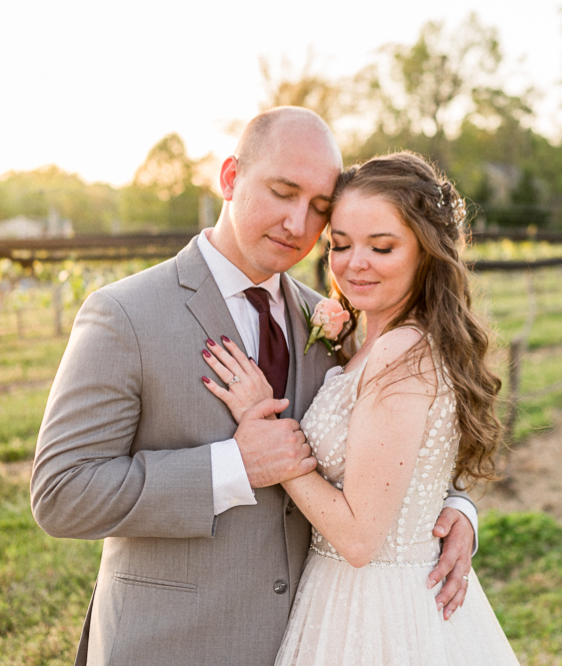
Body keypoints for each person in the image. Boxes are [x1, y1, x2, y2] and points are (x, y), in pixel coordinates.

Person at [30, 107, 479, 666]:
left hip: (318, 638)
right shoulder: (126, 315)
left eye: (319, 208)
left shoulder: (333, 321)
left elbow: (391, 446)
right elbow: (61, 493)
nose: (298, 224)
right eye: (282, 191)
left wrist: (457, 510)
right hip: (169, 645)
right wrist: (234, 467)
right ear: (230, 177)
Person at [200, 151, 520, 665]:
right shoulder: (363, 341)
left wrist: (273, 435)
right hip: (341, 594)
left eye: (383, 246)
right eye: (341, 245)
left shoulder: (401, 351)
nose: (354, 264)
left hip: (379, 609)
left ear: (426, 251)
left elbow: (358, 537)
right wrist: (459, 508)